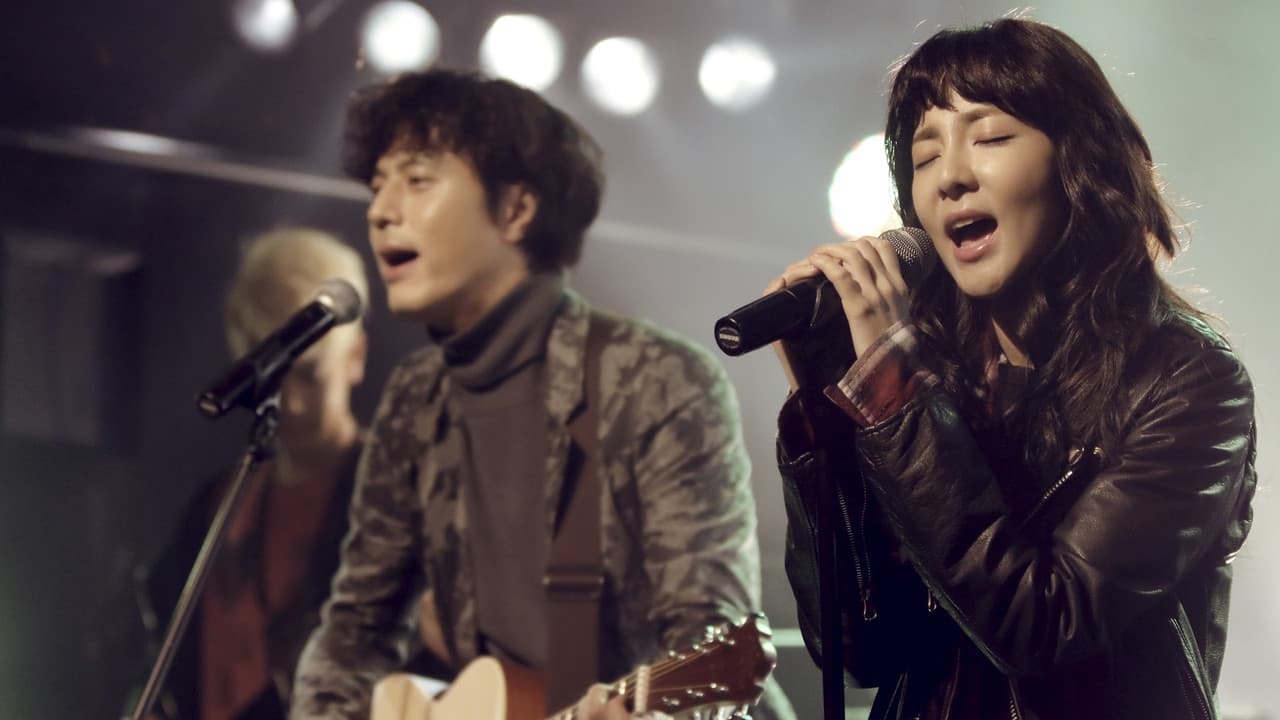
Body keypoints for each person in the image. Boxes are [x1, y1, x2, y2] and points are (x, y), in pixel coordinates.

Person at [769, 17, 1256, 720]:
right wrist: (827, 419)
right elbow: (858, 650)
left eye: (991, 138)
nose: (950, 177)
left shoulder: (1188, 382)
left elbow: (1046, 627)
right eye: (925, 155)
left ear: (1079, 164)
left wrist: (890, 385)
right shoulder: (930, 373)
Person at [289, 69, 793, 720]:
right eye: (378, 184)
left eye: (416, 180)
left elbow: (712, 636)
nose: (380, 210)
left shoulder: (654, 381)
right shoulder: (416, 397)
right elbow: (356, 629)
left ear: (515, 210)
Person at [134, 228, 371, 720]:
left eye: (310, 373)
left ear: (356, 356)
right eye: (277, 377)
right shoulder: (218, 503)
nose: (293, 402)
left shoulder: (392, 500)